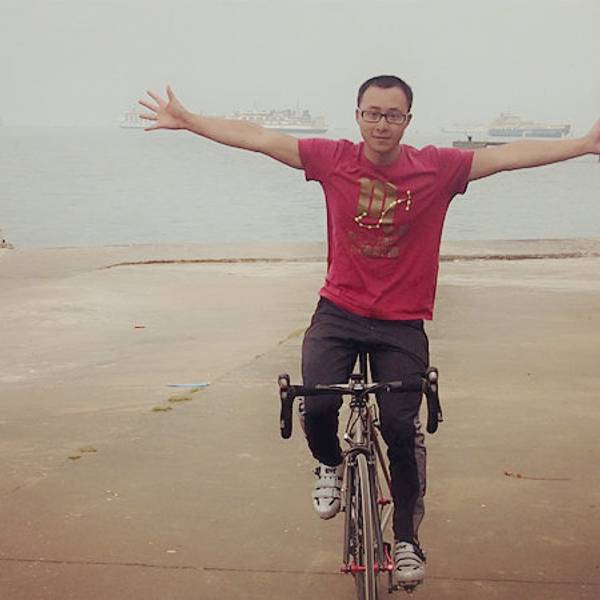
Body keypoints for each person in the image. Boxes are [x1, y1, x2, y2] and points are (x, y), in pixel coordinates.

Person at [139, 77, 600, 588]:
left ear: (408, 121)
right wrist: (191, 121)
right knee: (316, 403)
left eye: (393, 115)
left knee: (401, 430)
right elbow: (259, 138)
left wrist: (584, 144)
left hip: (402, 322)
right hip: (339, 312)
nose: (382, 124)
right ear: (357, 116)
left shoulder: (437, 168)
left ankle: (406, 539)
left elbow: (508, 156)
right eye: (373, 113)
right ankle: (329, 463)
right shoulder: (332, 159)